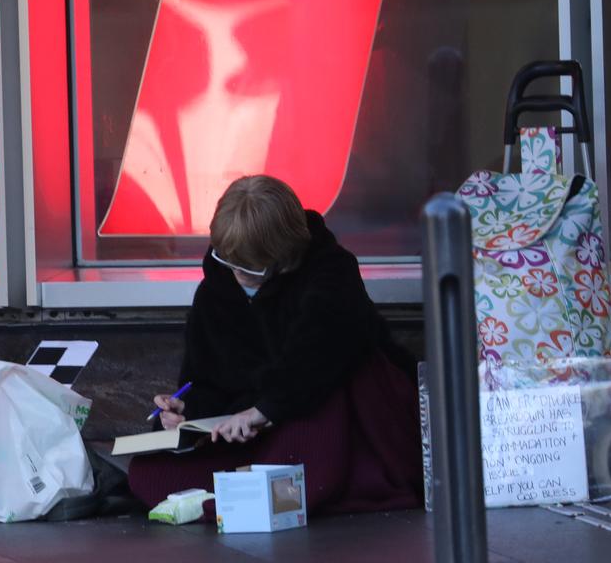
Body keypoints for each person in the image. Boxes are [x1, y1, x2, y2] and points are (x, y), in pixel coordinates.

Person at [127, 175, 423, 515]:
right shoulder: (215, 291)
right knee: (150, 477)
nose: (235, 275)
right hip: (251, 426)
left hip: (324, 410)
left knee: (316, 420)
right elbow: (207, 378)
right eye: (228, 262)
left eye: (246, 266)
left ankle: (271, 484)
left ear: (281, 257)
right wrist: (184, 413)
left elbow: (319, 354)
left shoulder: (330, 271)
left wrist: (264, 411)